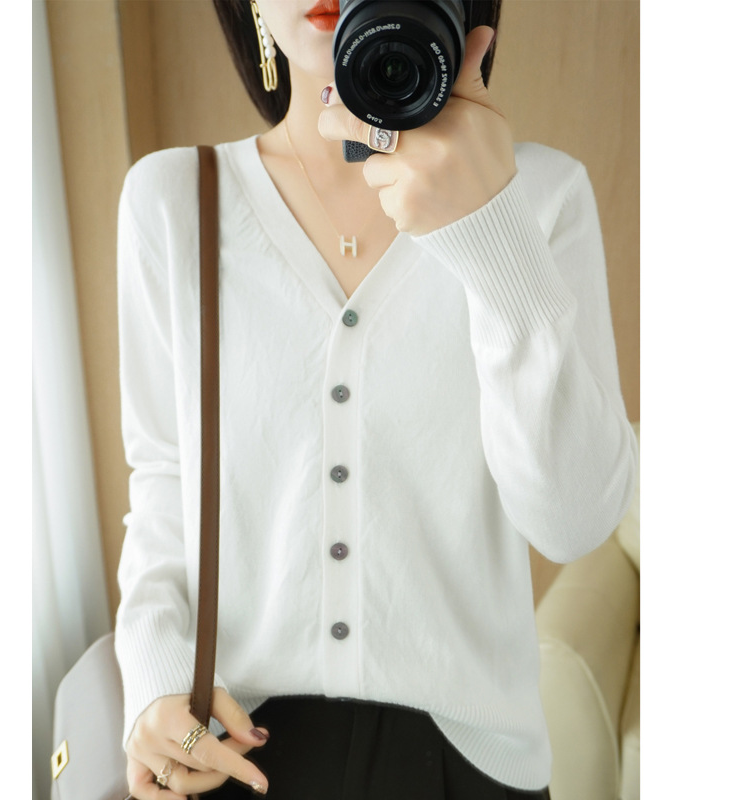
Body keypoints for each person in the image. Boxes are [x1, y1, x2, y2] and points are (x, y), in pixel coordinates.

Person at [114, 1, 638, 798]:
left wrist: (491, 230)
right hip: (234, 747)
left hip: (471, 762)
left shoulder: (538, 195)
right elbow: (163, 477)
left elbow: (573, 523)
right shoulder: (171, 199)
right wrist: (153, 673)